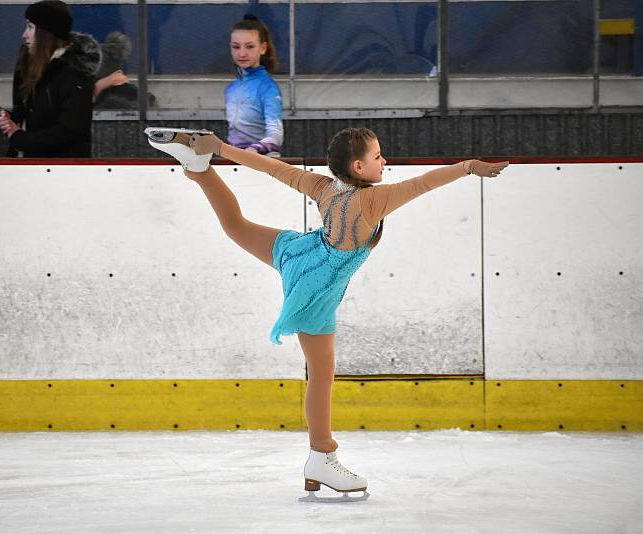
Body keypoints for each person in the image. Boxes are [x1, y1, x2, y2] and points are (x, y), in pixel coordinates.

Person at [145, 126, 508, 499]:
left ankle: (200, 167)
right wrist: (466, 166)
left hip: (301, 253)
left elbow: (273, 169)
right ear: (358, 165)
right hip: (318, 285)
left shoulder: (324, 187)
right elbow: (422, 184)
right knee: (321, 374)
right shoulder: (372, 201)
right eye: (378, 157)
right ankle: (321, 454)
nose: (385, 161)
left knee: (236, 226)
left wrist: (220, 147)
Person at [0, 0, 100, 157]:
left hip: (63, 173)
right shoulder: (29, 66)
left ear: (46, 33)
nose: (24, 35)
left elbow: (67, 131)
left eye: (30, 27)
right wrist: (10, 121)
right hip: (32, 169)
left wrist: (20, 138)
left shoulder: (75, 74)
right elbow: (30, 114)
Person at [225, 15, 283, 157]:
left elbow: (276, 135)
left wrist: (255, 149)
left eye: (250, 46)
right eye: (236, 47)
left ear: (263, 48)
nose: (242, 53)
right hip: (236, 162)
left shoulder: (268, 87)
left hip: (263, 163)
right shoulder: (231, 89)